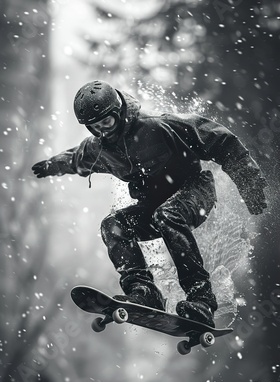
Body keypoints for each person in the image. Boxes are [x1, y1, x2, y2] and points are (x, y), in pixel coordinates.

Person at [32, 80, 267, 327]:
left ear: (118, 112)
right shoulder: (99, 149)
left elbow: (219, 140)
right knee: (113, 225)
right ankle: (144, 293)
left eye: (107, 122)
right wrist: (51, 165)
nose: (104, 131)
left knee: (168, 215)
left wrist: (248, 181)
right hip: (154, 205)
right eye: (96, 127)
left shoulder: (158, 126)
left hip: (195, 190)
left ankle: (202, 298)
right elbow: (75, 159)